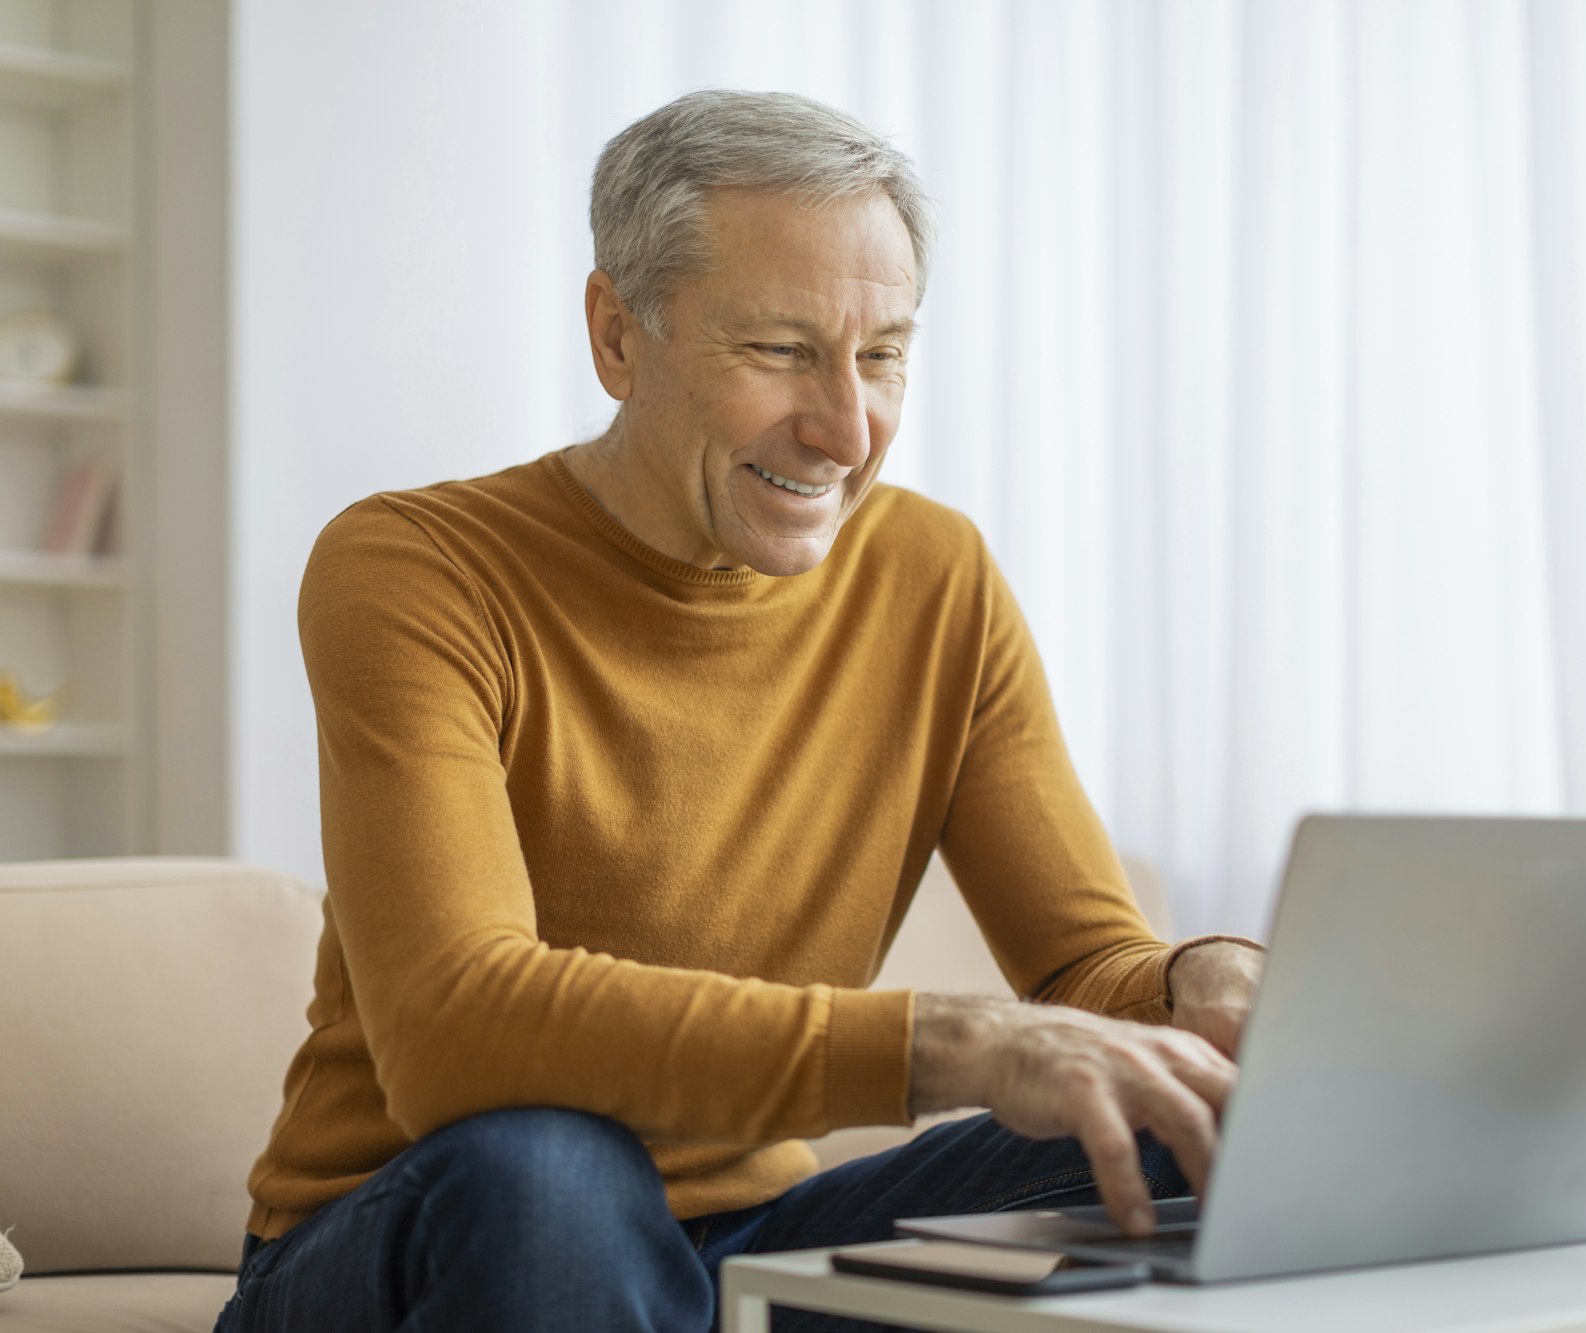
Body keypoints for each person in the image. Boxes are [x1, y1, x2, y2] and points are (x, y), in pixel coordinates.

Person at [213, 89, 1264, 1333]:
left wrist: (1204, 978)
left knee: (1205, 1126)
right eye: (776, 351)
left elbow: (1088, 966)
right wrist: (958, 1044)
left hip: (755, 1236)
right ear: (616, 334)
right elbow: (457, 1025)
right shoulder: (417, 565)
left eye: (880, 355)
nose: (843, 428)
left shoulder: (934, 576)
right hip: (423, 1231)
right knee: (554, 1165)